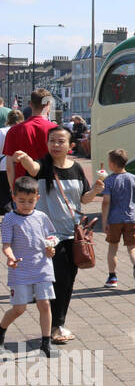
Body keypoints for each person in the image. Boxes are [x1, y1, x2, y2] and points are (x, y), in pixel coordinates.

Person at [11, 126, 103, 343]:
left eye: (61, 141)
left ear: (71, 146)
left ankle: (58, 323)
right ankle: (56, 326)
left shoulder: (77, 169)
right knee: (59, 280)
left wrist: (96, 190)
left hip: (74, 234)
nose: (56, 145)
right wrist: (24, 158)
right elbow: (32, 169)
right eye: (52, 141)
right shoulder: (43, 166)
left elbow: (84, 199)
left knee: (68, 280)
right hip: (50, 236)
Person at [0, 175, 59, 358]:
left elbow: (50, 239)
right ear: (13, 196)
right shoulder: (9, 219)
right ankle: (0, 332)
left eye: (31, 201)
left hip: (42, 268)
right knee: (19, 308)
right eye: (21, 201)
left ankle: (46, 343)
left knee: (45, 304)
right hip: (20, 270)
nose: (26, 205)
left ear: (37, 198)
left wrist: (51, 250)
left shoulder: (41, 217)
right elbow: (6, 245)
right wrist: (11, 258)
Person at [100, 148, 135, 291]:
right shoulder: (134, 178)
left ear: (113, 164)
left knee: (113, 247)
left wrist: (104, 221)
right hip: (132, 218)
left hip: (115, 219)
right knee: (132, 247)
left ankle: (112, 277)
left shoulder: (109, 180)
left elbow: (106, 202)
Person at [4, 91, 57, 195]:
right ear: (48, 105)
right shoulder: (55, 130)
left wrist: (12, 187)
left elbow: (9, 166)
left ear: (30, 104)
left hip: (23, 185)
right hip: (49, 183)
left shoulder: (14, 130)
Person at [0, 109, 19, 212]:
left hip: (3, 165)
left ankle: (8, 212)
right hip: (18, 164)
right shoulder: (21, 130)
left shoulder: (2, 131)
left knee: (4, 192)